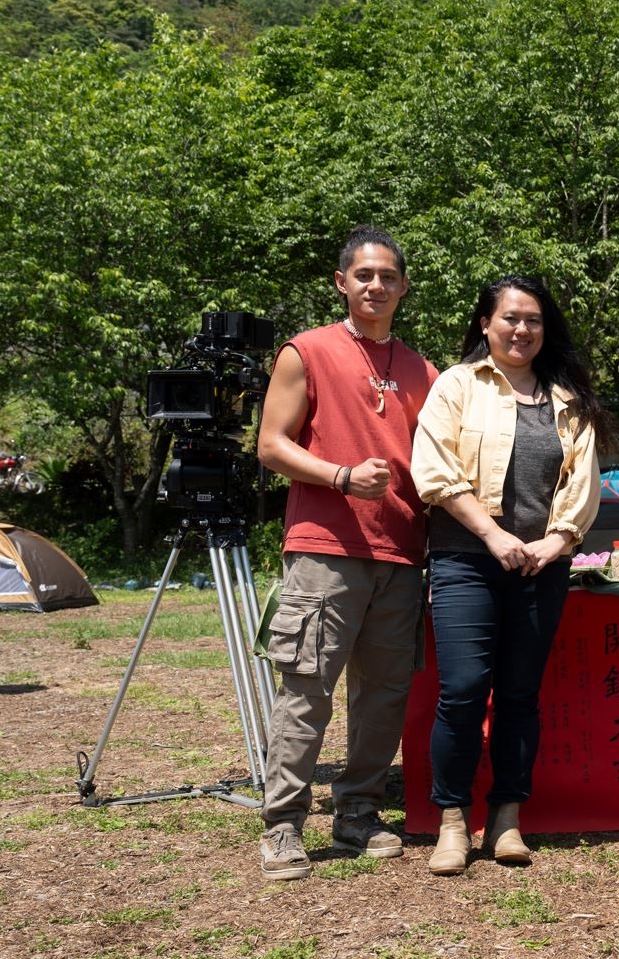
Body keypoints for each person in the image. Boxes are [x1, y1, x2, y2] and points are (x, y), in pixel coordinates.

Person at [254, 225, 438, 880]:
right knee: (306, 690)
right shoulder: (307, 352)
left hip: (401, 554)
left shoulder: (423, 370)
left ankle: (358, 813)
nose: (376, 286)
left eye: (388, 276)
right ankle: (282, 825)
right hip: (325, 549)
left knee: (384, 695)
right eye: (364, 275)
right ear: (342, 282)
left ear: (404, 287)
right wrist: (338, 476)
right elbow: (271, 445)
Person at [411, 275, 602, 876]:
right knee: (463, 689)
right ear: (486, 324)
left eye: (534, 321)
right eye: (511, 318)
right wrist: (492, 534)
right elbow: (434, 471)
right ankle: (451, 820)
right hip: (465, 559)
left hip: (540, 567)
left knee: (521, 694)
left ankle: (507, 817)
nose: (522, 330)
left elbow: (583, 483)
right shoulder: (456, 386)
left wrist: (556, 542)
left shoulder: (569, 400)